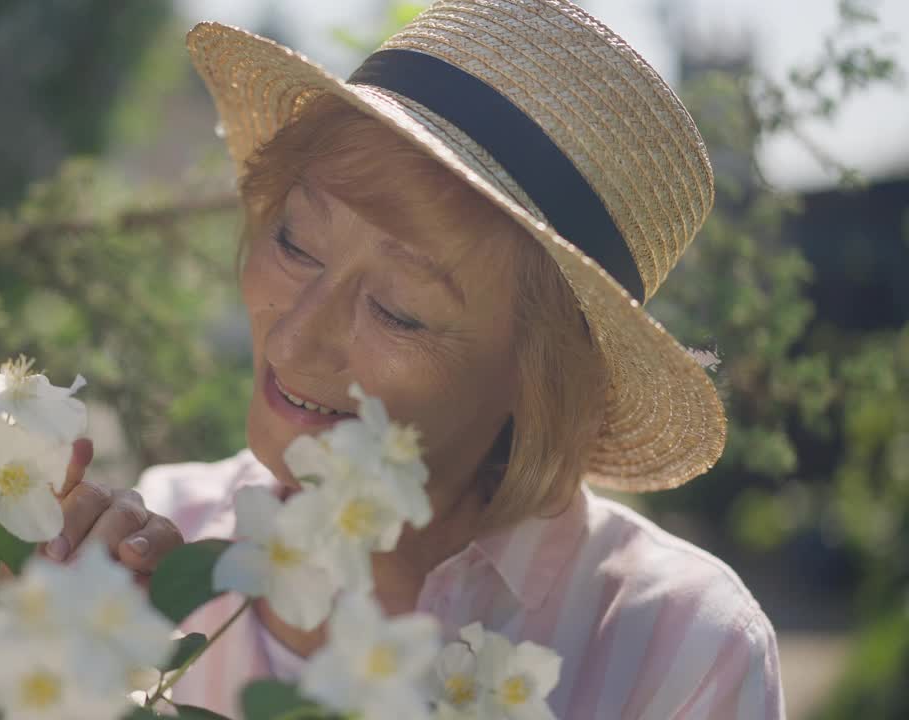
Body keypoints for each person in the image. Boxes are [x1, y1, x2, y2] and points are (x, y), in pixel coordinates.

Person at [42, 1, 785, 718]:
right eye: (296, 242)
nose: (295, 339)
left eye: (400, 310)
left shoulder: (678, 652)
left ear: (537, 379)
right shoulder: (151, 554)